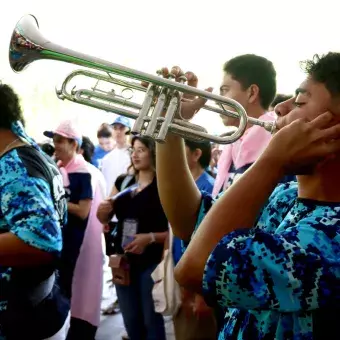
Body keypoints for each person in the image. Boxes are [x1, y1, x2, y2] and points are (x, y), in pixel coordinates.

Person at [175, 52, 340, 339]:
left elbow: (194, 267)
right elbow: (189, 221)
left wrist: (271, 162)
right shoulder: (286, 194)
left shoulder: (332, 238)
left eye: (300, 101)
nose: (280, 107)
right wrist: (172, 123)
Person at [0, 84, 69, 339]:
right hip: (38, 308)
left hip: (24, 320)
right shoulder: (28, 154)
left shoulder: (14, 166)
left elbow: (41, 241)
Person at [97, 136, 168, 340]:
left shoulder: (164, 186)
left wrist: (150, 238)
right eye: (133, 150)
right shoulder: (124, 181)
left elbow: (175, 231)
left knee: (152, 321)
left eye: (142, 150)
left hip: (152, 262)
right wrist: (103, 210)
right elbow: (105, 217)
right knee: (131, 321)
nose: (135, 155)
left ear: (153, 153)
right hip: (124, 260)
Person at [44, 121, 96, 339]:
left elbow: (84, 211)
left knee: (64, 289)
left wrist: (56, 201)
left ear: (74, 144)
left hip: (72, 244)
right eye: (54, 140)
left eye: (60, 141)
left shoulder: (82, 173)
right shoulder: (56, 167)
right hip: (56, 242)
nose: (55, 145)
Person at [172, 139, 217, 340]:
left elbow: (209, 240)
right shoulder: (177, 184)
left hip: (198, 279)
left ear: (197, 154)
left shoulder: (209, 187)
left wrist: (200, 292)